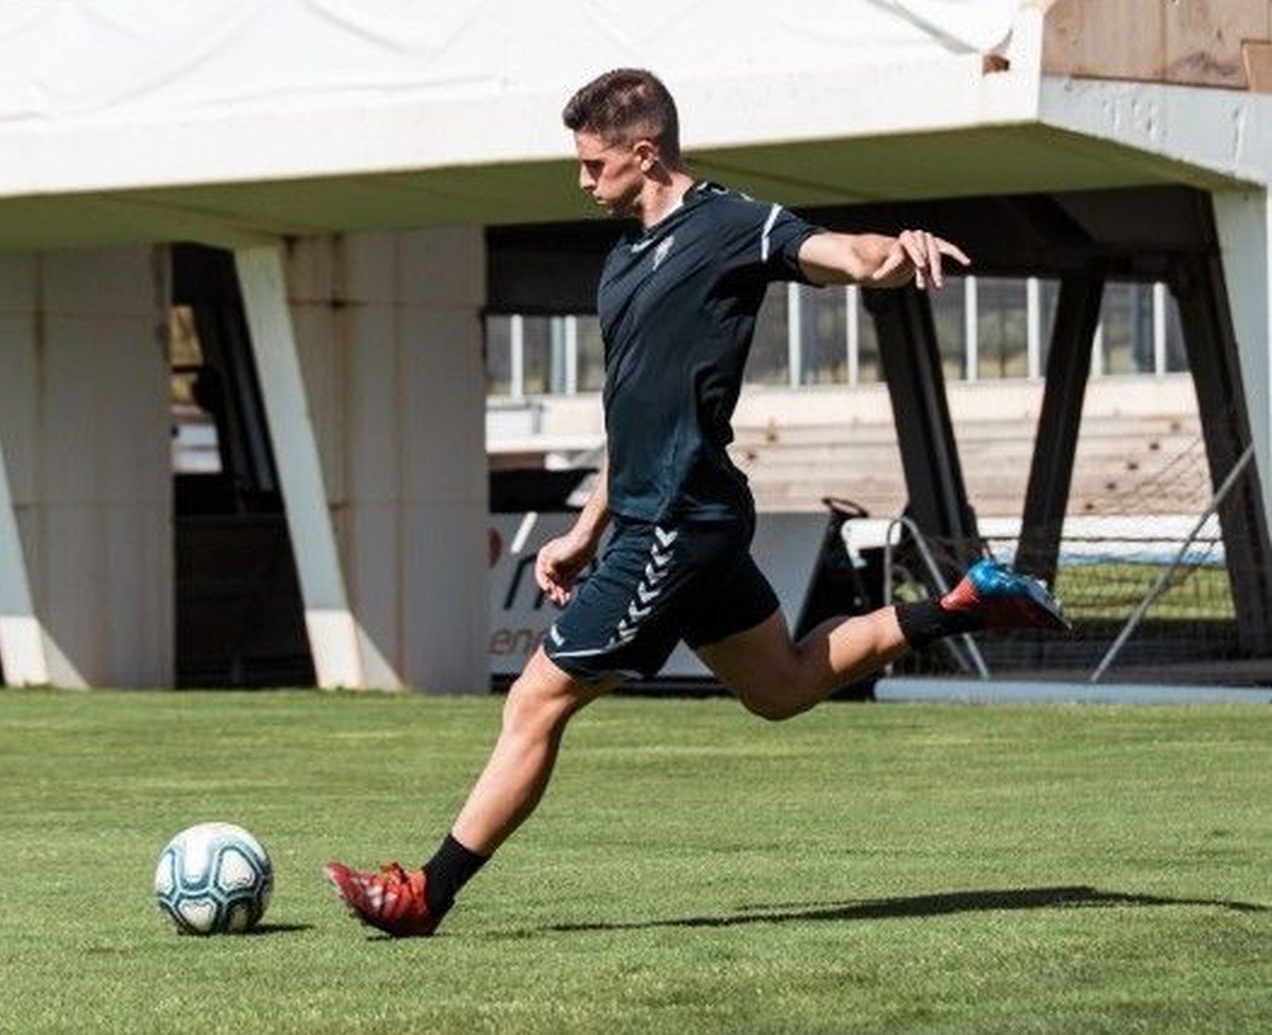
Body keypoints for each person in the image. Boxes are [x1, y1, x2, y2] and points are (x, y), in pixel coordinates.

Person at [323, 68, 1069, 937]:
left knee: (536, 701)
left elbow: (845, 254)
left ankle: (425, 895)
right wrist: (586, 530)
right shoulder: (621, 260)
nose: (581, 180)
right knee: (781, 687)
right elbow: (635, 414)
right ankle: (960, 606)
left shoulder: (730, 226)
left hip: (679, 520)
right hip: (664, 513)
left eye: (594, 164)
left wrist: (898, 251)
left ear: (645, 154)